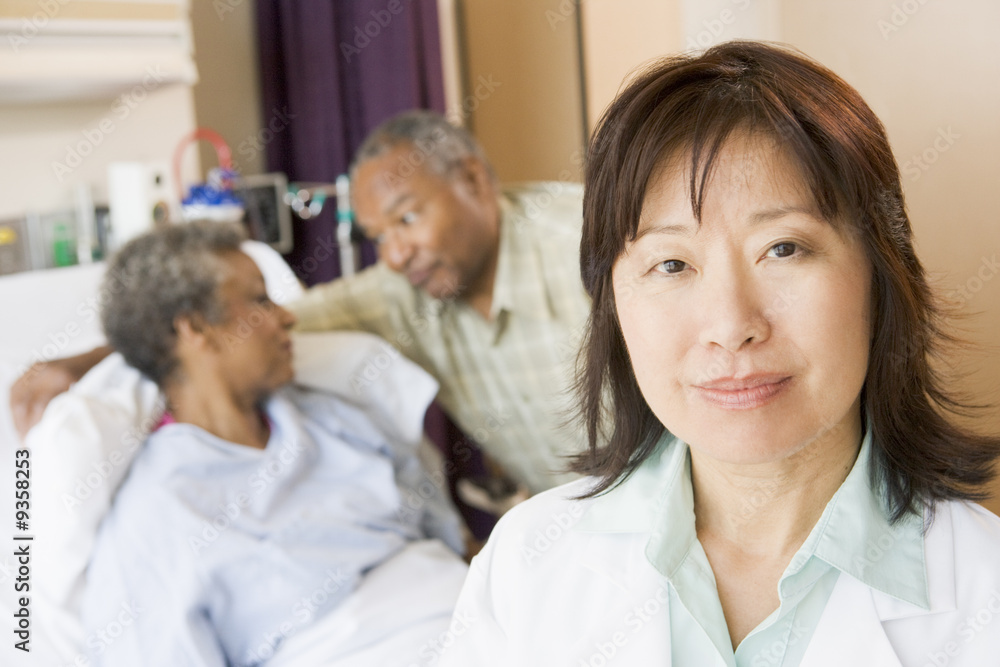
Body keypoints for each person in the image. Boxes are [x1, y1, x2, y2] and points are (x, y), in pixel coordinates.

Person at [436, 41, 1000, 666]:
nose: (731, 326)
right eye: (672, 263)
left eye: (783, 249)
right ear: (614, 307)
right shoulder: (525, 564)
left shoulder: (985, 590)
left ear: (881, 276)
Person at [12, 111, 590, 495]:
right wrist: (84, 361)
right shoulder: (402, 292)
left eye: (407, 218)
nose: (393, 254)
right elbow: (258, 323)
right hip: (569, 521)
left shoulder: (593, 249)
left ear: (472, 180)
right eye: (377, 236)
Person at [82, 221, 467, 666]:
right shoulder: (158, 518)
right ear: (195, 328)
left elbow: (450, 537)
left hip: (478, 619)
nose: (287, 316)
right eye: (260, 300)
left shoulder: (336, 420)